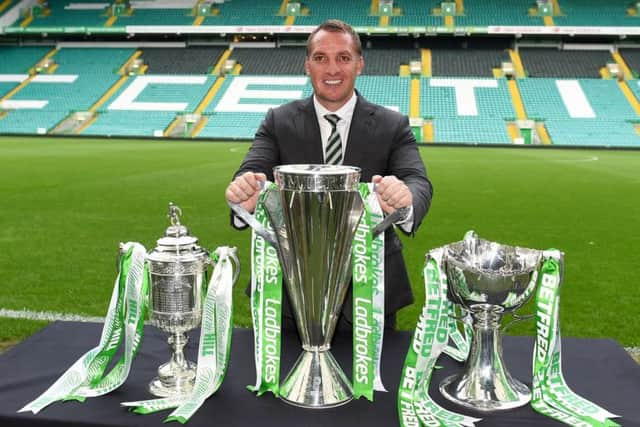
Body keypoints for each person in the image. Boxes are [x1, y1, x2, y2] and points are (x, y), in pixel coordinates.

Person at [225, 19, 433, 330]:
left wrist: (405, 199)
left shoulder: (392, 125)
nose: (332, 69)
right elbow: (250, 172)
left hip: (368, 296)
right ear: (307, 65)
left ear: (359, 64)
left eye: (343, 58)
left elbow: (417, 182)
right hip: (286, 299)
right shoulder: (278, 121)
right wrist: (246, 193)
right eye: (321, 58)